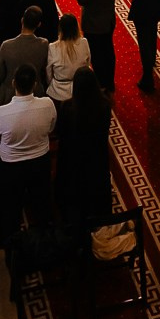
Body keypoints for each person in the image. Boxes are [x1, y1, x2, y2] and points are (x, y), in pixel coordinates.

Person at [0, 66, 57, 246]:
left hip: (11, 166)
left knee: (10, 207)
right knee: (42, 201)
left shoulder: (1, 113)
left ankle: (11, 242)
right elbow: (51, 128)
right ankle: (45, 236)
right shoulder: (47, 105)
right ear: (34, 85)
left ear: (13, 84)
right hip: (40, 162)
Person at [56, 65, 113, 220]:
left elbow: (61, 132)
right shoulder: (105, 105)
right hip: (97, 156)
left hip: (74, 157)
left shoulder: (68, 107)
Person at [68, 0, 121, 91]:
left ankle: (101, 83)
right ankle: (109, 81)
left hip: (94, 25)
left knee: (97, 55)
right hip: (108, 20)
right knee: (108, 51)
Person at [0, 6, 52, 98]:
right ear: (39, 24)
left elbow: (1, 74)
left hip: (10, 93)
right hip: (35, 93)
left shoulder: (6, 46)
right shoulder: (44, 44)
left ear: (22, 20)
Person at [46, 14, 92, 114]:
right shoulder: (84, 42)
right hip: (80, 89)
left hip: (58, 92)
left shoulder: (53, 47)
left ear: (60, 29)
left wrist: (51, 84)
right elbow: (87, 65)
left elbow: (49, 72)